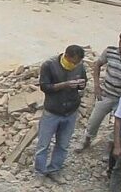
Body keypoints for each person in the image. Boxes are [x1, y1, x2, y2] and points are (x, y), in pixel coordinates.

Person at [35, 44, 87, 178]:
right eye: (73, 62)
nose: (75, 65)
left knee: (63, 145)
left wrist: (81, 84)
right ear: (67, 56)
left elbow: (84, 82)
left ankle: (54, 170)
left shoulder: (80, 66)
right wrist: (64, 85)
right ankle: (40, 172)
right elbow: (45, 87)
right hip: (52, 111)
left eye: (77, 63)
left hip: (70, 111)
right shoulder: (49, 65)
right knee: (43, 145)